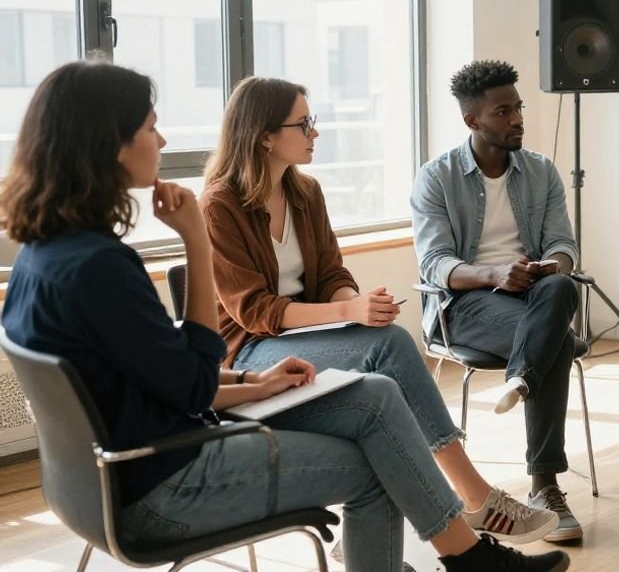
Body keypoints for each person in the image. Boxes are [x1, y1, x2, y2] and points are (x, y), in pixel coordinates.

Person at [0, 62, 571, 572]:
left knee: (376, 396)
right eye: (151, 126)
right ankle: (471, 547)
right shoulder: (106, 264)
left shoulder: (46, 259)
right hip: (162, 484)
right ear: (109, 144)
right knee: (379, 451)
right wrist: (197, 244)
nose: (164, 138)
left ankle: (469, 554)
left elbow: (157, 374)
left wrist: (258, 380)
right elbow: (198, 373)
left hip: (100, 485)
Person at [200, 76, 554, 544]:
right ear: (265, 135)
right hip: (249, 354)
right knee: (387, 351)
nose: (315, 133)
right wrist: (349, 315)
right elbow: (255, 313)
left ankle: (445, 513)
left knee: (385, 353)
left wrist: (355, 304)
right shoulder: (219, 205)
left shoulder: (306, 194)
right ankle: (476, 498)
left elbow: (330, 275)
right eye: (303, 123)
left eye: (313, 121)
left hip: (304, 337)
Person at [411, 60, 584, 543]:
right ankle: (545, 486)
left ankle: (522, 379)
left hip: (535, 297)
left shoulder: (541, 171)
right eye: (503, 111)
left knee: (562, 286)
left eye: (519, 107)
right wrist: (493, 274)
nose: (517, 119)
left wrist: (548, 268)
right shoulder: (436, 178)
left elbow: (563, 245)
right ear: (473, 121)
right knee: (561, 345)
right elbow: (435, 264)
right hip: (463, 305)